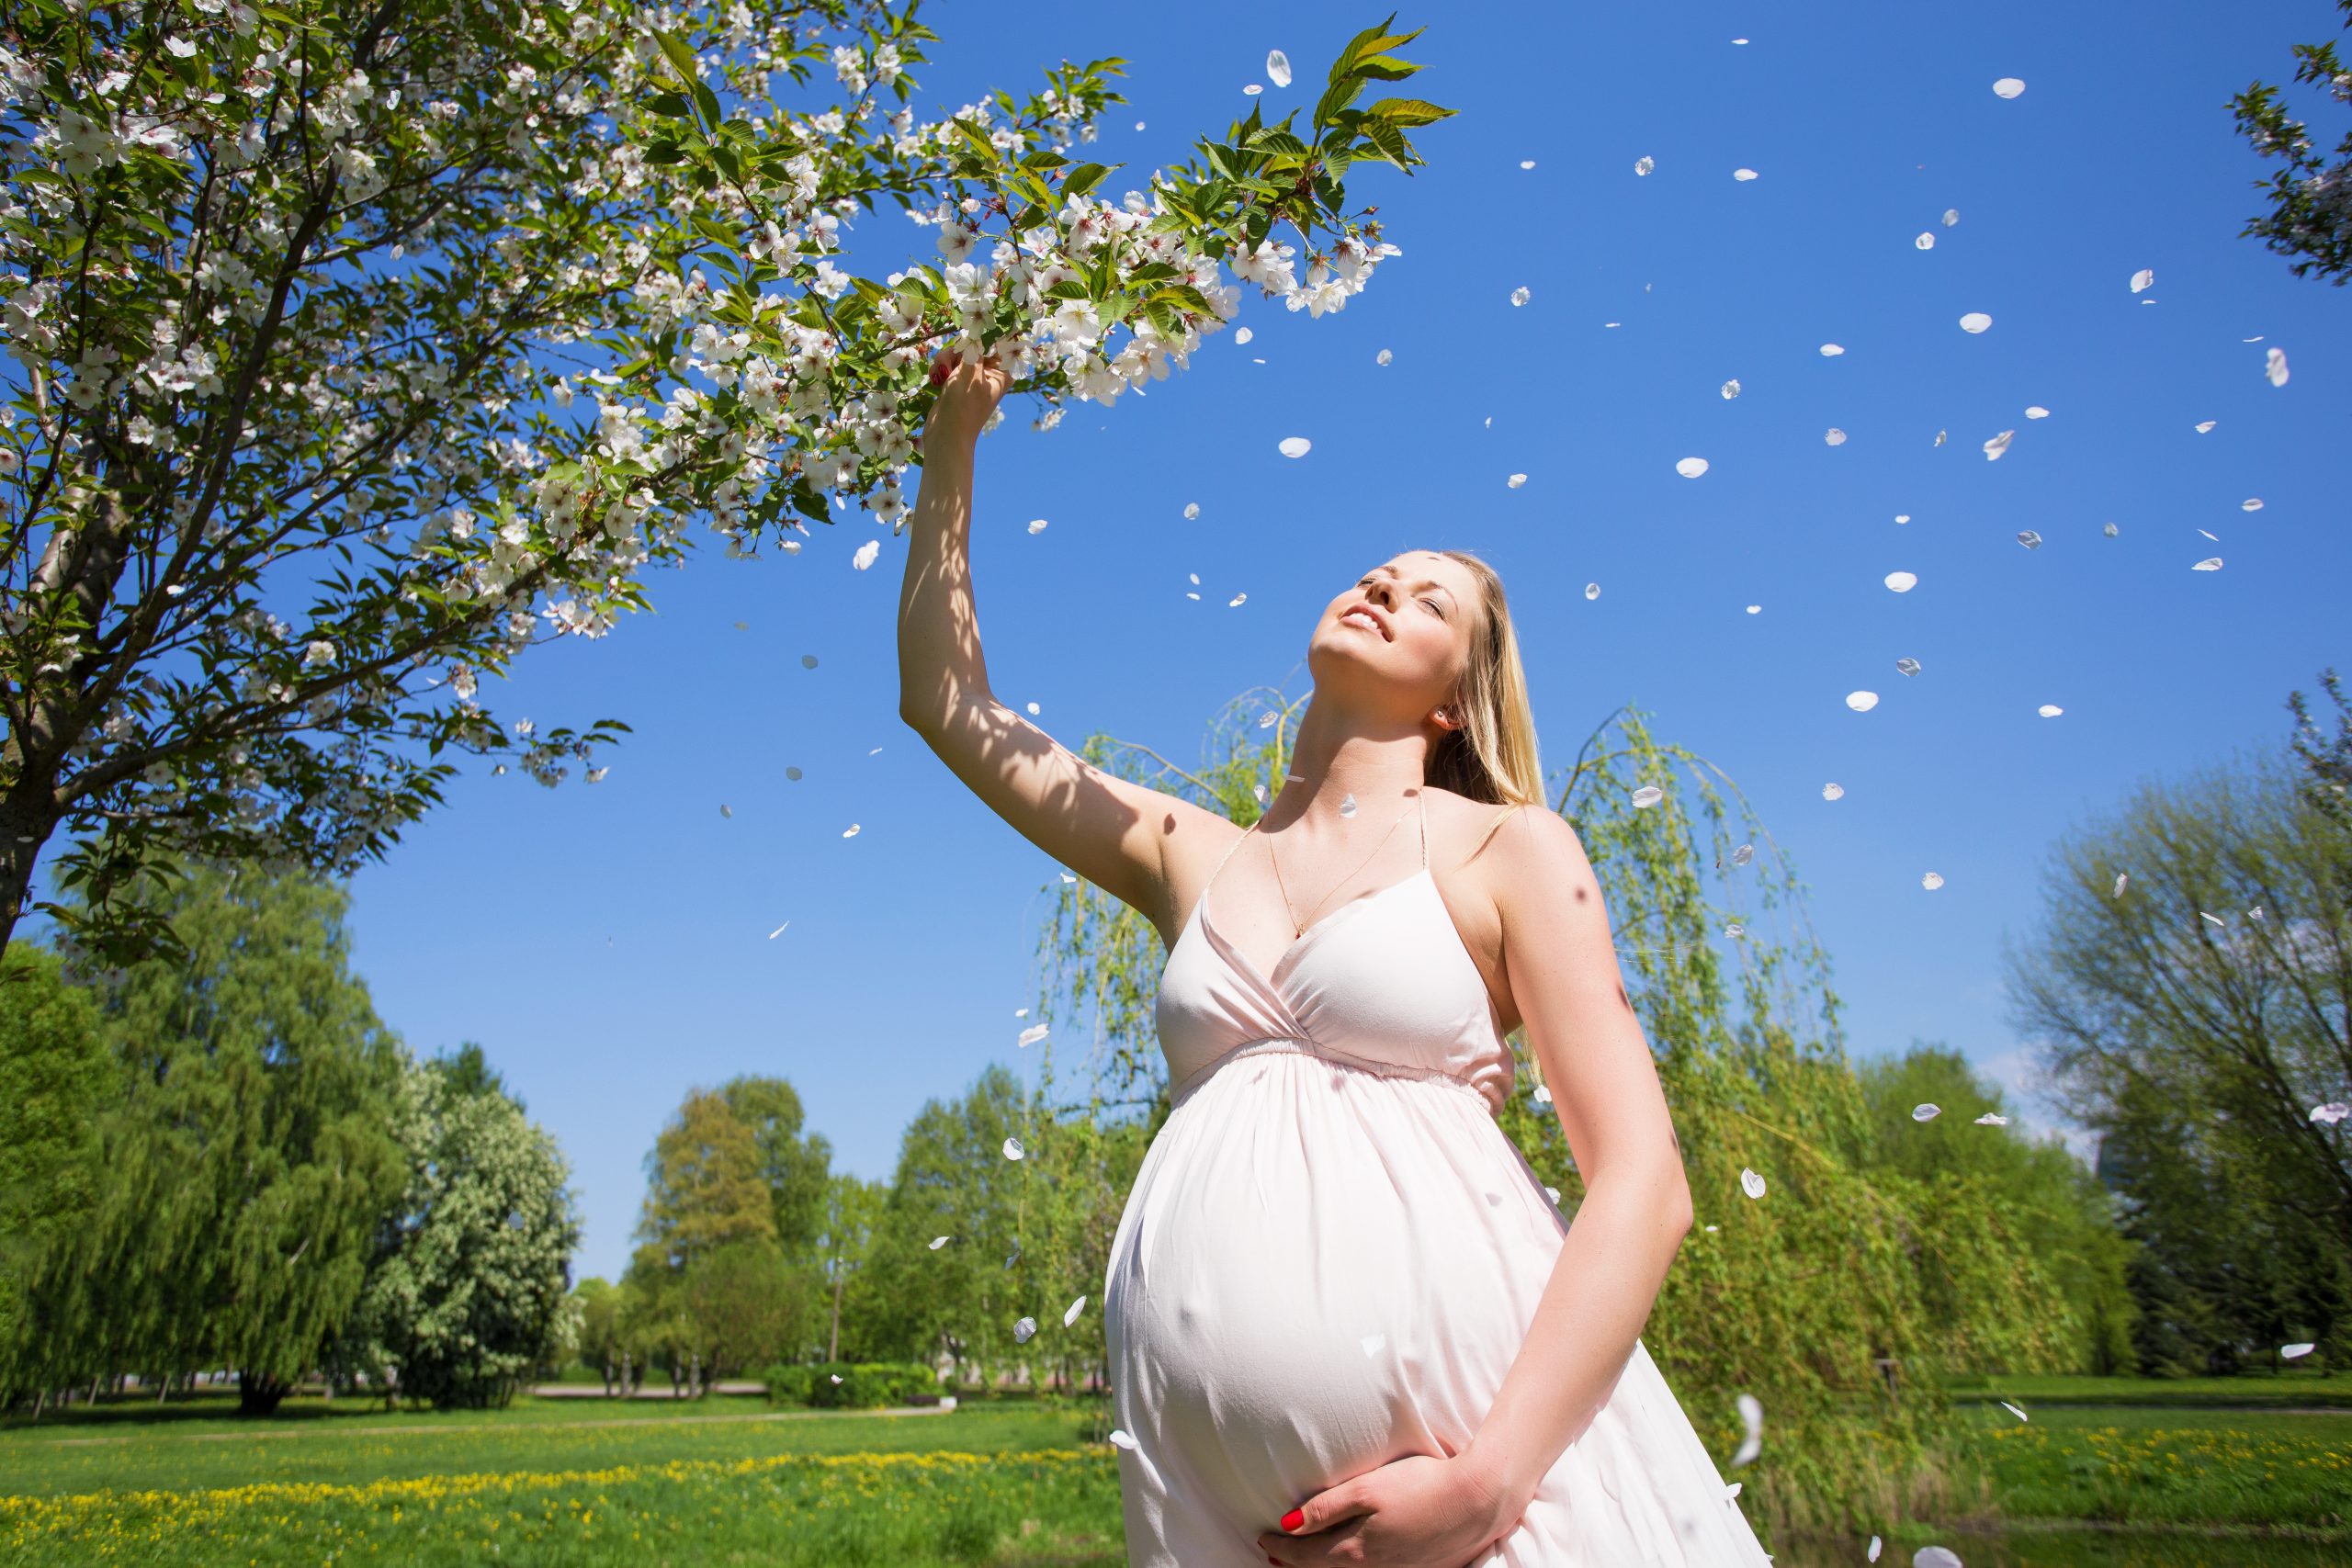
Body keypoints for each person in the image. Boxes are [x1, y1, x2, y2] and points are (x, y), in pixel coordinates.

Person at [897, 348, 1774, 1567]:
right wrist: (954, 442)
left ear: (1456, 702)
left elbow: (1645, 1181)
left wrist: (1489, 1482)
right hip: (1214, 1514)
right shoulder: (1182, 851)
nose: (1382, 587)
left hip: (1487, 1499)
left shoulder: (1512, 852)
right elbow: (949, 706)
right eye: (1378, 572)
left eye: (1428, 603)